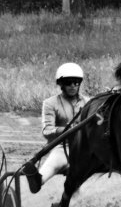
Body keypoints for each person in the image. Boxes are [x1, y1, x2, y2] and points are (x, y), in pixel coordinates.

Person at [25, 62, 90, 194]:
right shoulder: (50, 103)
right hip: (62, 147)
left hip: (85, 147)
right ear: (61, 84)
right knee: (55, 163)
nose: (73, 85)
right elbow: (47, 131)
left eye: (76, 82)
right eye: (68, 82)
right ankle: (37, 180)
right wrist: (67, 129)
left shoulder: (89, 103)